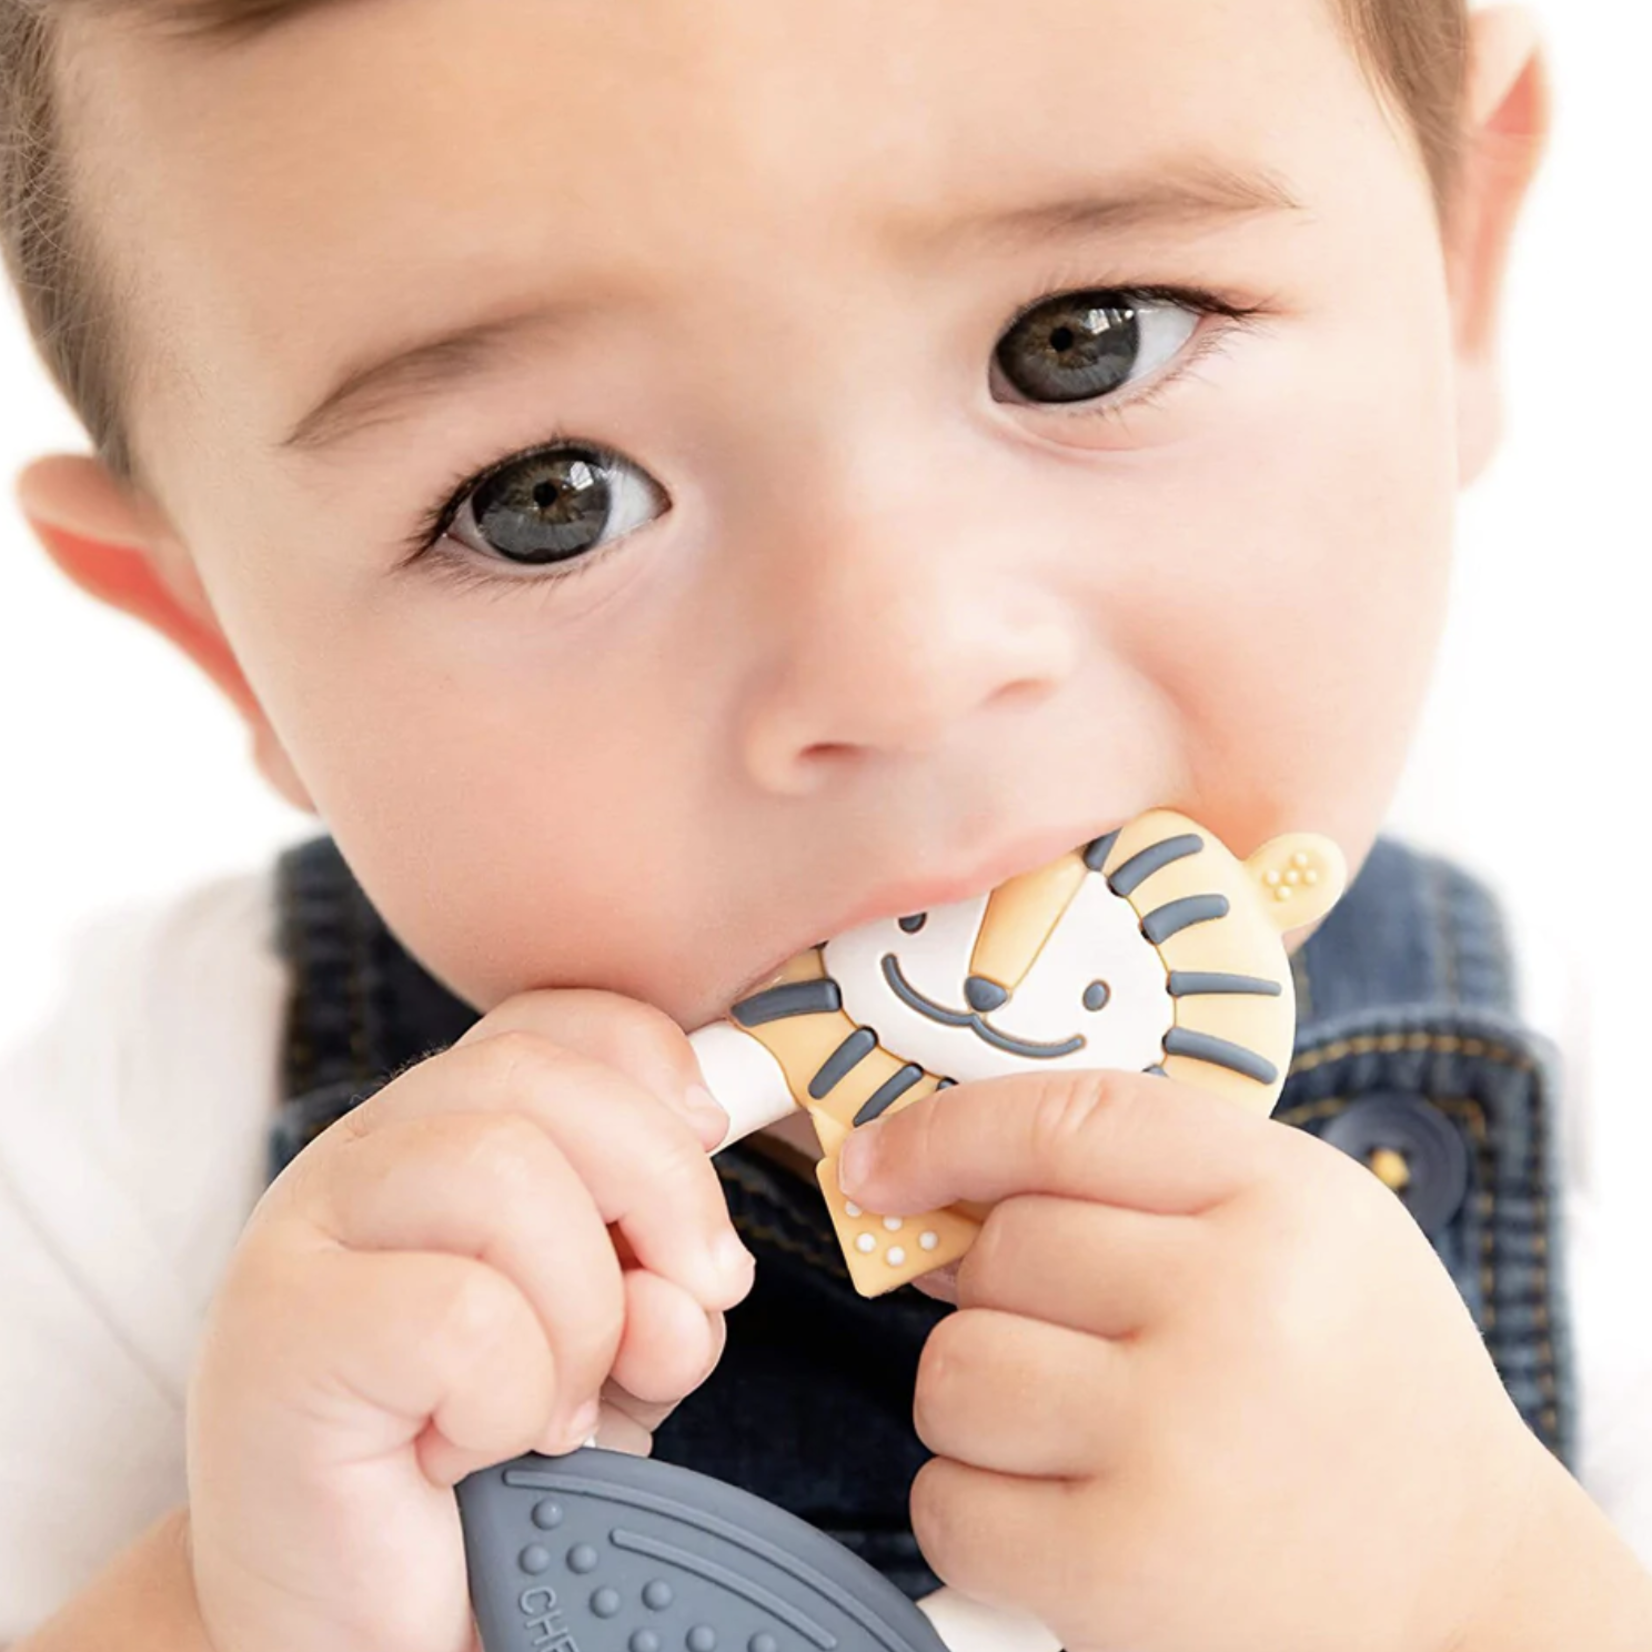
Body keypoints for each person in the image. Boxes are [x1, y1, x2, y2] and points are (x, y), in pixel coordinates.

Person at [1, 0, 1648, 1646]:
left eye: (1087, 334)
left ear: (1456, 270)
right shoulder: (149, 1153)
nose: (906, 664)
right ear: (225, 638)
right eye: (547, 501)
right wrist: (243, 1607)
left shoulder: (1607, 1106)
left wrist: (1479, 1591)